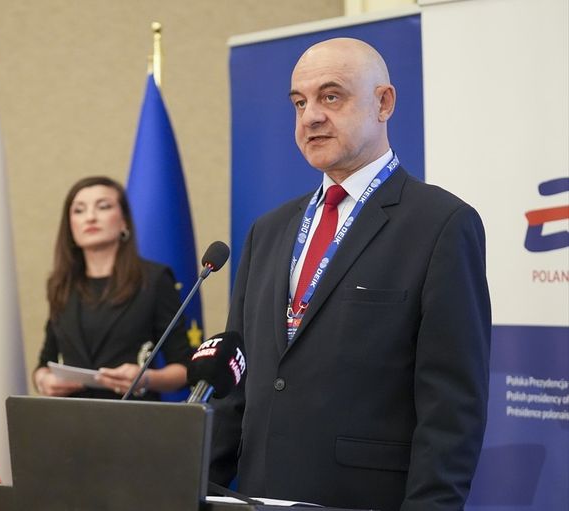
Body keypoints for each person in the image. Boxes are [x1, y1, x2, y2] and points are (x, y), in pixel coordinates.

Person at [210, 38, 491, 510]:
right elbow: (235, 384)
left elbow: (451, 409)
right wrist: (189, 487)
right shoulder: (268, 231)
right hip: (258, 495)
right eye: (300, 102)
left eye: (331, 96)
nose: (310, 117)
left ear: (384, 103)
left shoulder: (441, 224)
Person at [33, 176, 192, 400]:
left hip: (131, 413)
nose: (90, 217)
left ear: (124, 221)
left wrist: (146, 378)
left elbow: (184, 369)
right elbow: (43, 363)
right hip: (72, 415)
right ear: (70, 226)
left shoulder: (154, 279)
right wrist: (43, 381)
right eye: (79, 210)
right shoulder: (60, 284)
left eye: (103, 206)